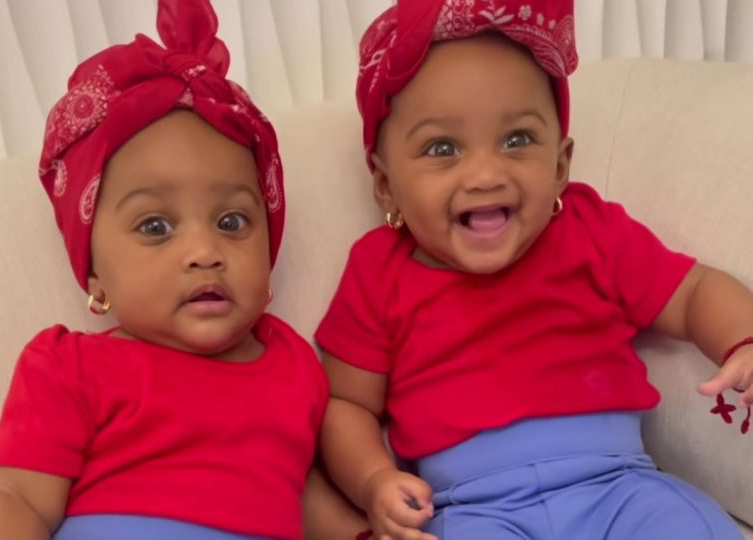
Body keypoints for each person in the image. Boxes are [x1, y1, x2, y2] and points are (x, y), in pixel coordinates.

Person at [315, 1, 753, 539]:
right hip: (474, 512)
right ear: (386, 186)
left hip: (619, 487)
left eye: (517, 140)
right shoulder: (379, 270)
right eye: (442, 148)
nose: (485, 173)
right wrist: (373, 480)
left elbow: (693, 292)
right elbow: (346, 404)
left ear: (561, 165)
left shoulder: (591, 229)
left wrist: (741, 338)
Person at [0, 1, 338, 538]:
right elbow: (15, 495)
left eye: (232, 221)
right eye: (155, 226)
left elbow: (300, 492)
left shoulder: (292, 363)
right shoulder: (70, 368)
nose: (204, 251)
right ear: (95, 275)